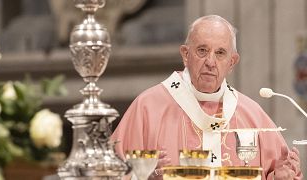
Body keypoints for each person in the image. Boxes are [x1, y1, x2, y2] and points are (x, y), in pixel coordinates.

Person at [111, 15, 302, 180]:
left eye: (220, 53)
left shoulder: (252, 115)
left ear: (232, 62)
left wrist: (279, 177)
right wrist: (143, 176)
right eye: (202, 51)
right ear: (185, 55)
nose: (211, 62)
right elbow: (107, 172)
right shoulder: (148, 107)